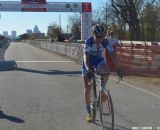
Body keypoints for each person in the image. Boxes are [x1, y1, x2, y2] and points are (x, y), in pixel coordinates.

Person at [82, 24, 123, 122]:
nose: (100, 38)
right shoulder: (89, 41)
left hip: (99, 59)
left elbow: (112, 54)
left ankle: (102, 90)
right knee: (88, 86)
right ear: (93, 35)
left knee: (106, 71)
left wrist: (118, 68)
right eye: (98, 36)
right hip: (88, 61)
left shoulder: (105, 41)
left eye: (102, 36)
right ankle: (88, 112)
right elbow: (85, 56)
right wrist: (88, 69)